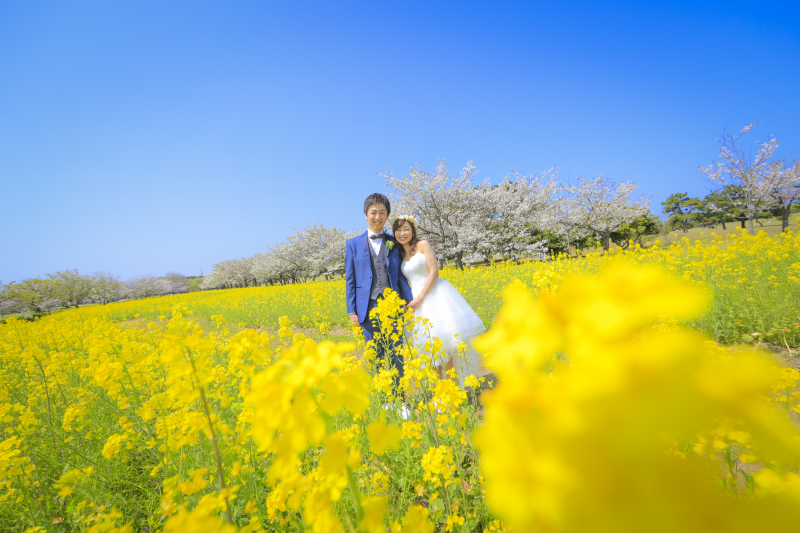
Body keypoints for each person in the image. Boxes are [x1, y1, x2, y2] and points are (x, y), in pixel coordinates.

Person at [393, 215, 485, 387]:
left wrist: (420, 298)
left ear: (413, 230)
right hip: (416, 302)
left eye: (406, 229)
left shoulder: (423, 244)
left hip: (434, 295)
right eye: (398, 230)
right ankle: (440, 391)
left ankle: (451, 389)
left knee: (446, 346)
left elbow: (434, 272)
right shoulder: (398, 254)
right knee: (430, 349)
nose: (402, 233)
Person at [345, 193, 414, 398]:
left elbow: (400, 276)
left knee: (397, 353)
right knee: (376, 355)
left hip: (393, 305)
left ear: (387, 216)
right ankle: (385, 399)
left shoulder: (394, 242)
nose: (377, 217)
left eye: (382, 213)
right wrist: (352, 311)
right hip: (367, 307)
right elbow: (350, 279)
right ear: (366, 214)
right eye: (373, 212)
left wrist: (409, 302)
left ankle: (401, 399)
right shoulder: (352, 244)